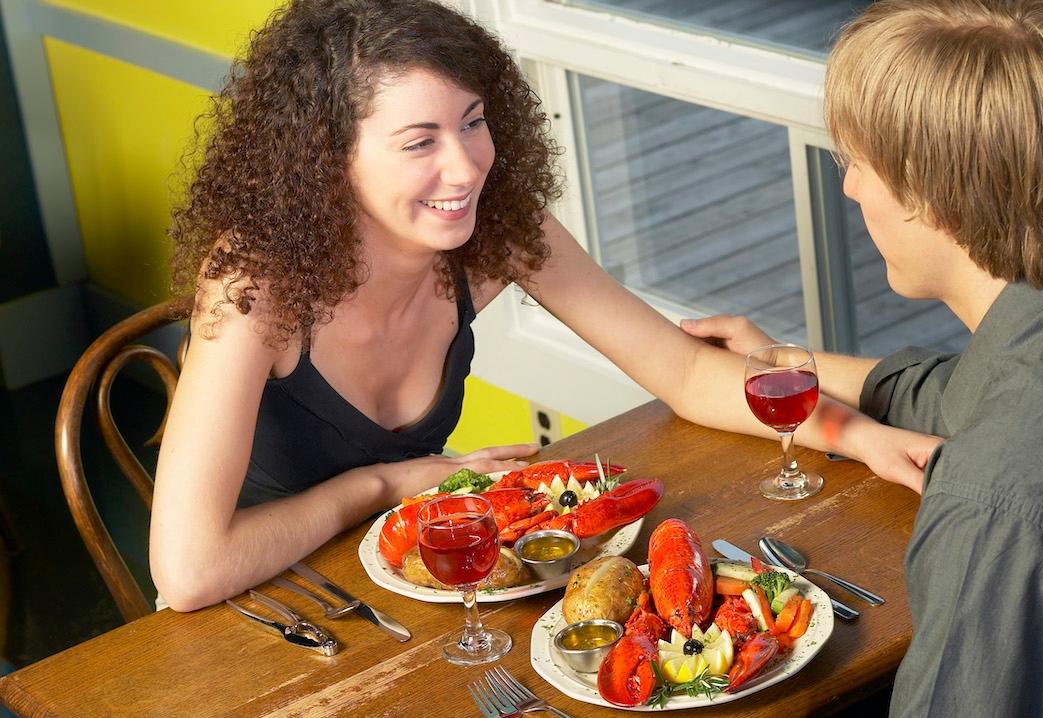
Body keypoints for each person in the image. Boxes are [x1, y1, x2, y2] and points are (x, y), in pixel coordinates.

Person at [150, 0, 937, 613]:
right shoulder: (255, 281)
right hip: (262, 611)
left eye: (474, 122)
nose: (466, 167)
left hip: (432, 583)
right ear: (327, 157)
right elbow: (191, 573)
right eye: (420, 141)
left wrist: (858, 435)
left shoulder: (494, 234)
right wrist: (380, 488)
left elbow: (688, 372)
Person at [683, 1, 1043, 715]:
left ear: (934, 196)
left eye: (855, 163)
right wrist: (789, 366)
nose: (850, 187)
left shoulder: (1004, 512)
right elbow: (976, 394)